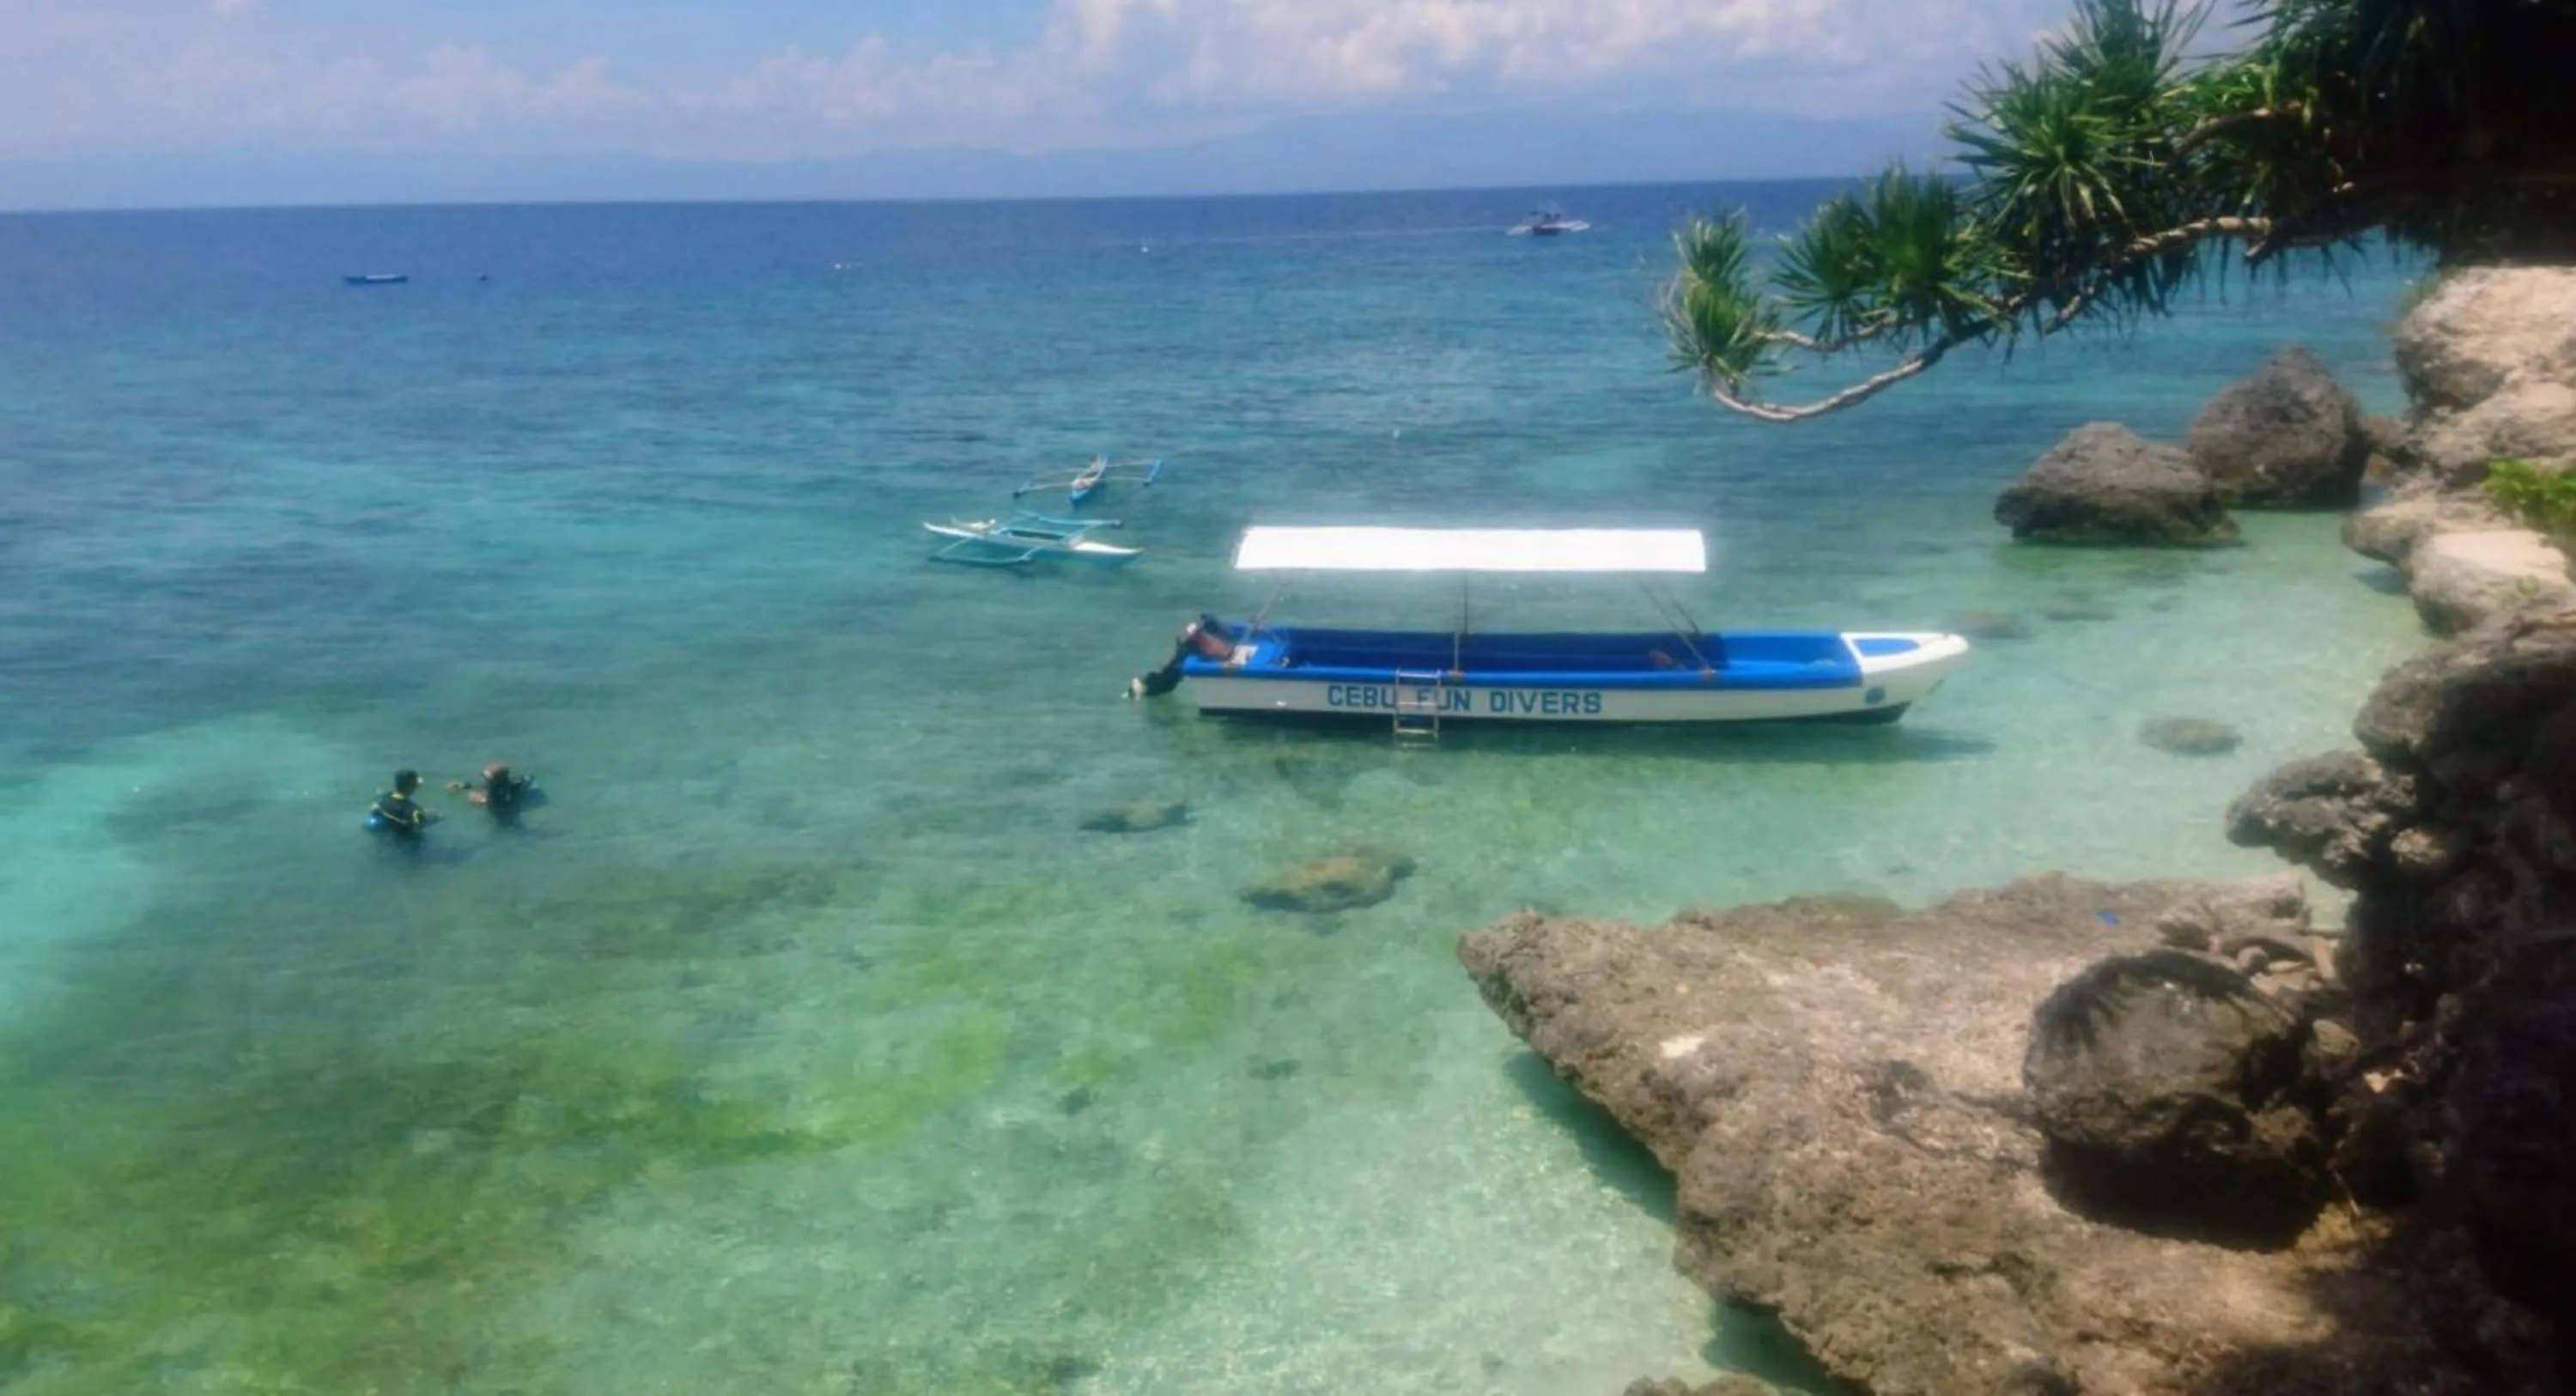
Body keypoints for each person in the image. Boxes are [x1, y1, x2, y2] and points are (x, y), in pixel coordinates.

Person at [447, 762, 534, 824]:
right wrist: (465, 786)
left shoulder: (497, 794)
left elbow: (491, 801)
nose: (483, 778)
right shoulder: (512, 784)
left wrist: (479, 799)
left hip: (504, 819)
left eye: (485, 776)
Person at [368, 769, 439, 840]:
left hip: (384, 836)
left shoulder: (385, 797)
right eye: (415, 785)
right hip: (404, 842)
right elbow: (418, 829)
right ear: (410, 786)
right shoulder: (412, 809)